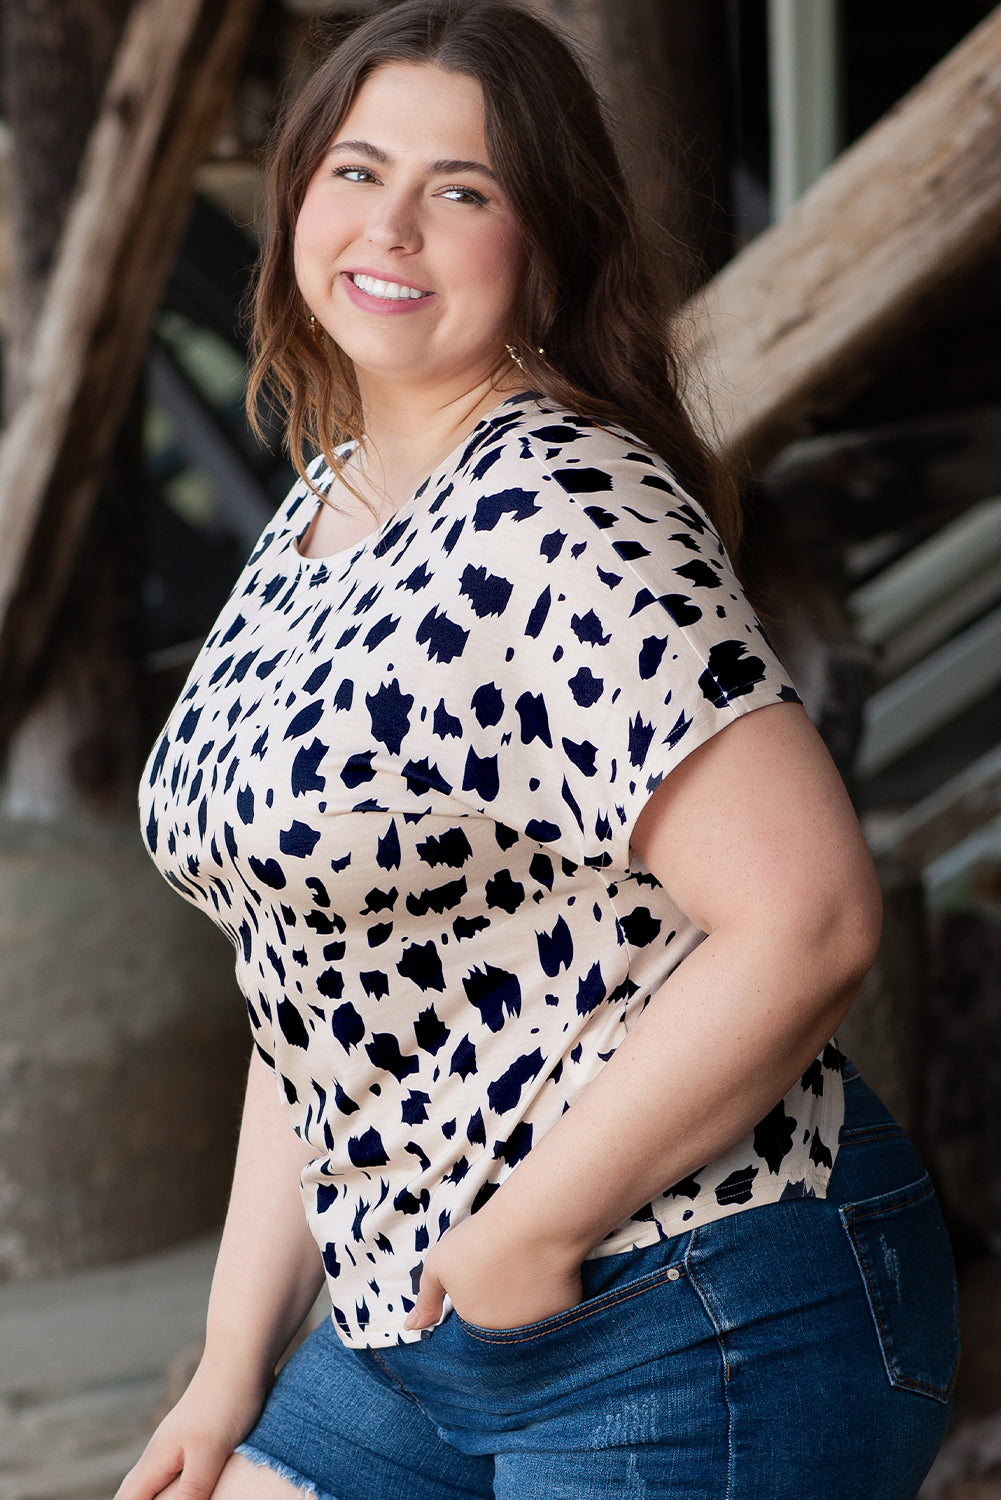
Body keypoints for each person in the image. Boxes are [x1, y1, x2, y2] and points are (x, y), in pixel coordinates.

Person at [118, 3, 959, 1496]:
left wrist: (534, 1227)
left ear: (547, 247)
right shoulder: (325, 508)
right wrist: (230, 1364)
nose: (392, 227)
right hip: (416, 1313)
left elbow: (811, 916)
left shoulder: (567, 514)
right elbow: (307, 975)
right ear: (297, 195)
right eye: (356, 171)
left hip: (685, 1294)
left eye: (462, 190)